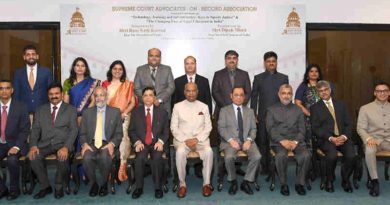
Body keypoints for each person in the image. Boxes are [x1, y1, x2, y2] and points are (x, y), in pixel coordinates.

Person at [28, 83, 78, 199]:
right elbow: (35, 130)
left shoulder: (71, 109)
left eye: (56, 93)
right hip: (44, 144)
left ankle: (58, 186)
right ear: (47, 95)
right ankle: (45, 186)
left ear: (61, 94)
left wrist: (66, 147)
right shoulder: (40, 110)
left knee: (62, 157)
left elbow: (74, 130)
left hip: (62, 144)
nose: (54, 96)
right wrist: (33, 145)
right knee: (33, 157)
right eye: (51, 94)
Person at [311, 80, 356, 193]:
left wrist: (344, 136)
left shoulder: (341, 104)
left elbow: (349, 123)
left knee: (351, 155)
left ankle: (345, 180)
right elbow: (316, 128)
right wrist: (331, 138)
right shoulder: (315, 108)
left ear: (330, 90)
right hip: (327, 139)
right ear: (318, 93)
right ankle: (329, 180)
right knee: (332, 156)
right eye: (320, 91)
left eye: (325, 90)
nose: (324, 93)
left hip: (343, 138)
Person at [266, 84, 311, 196]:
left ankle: (299, 184)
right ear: (279, 94)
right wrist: (282, 141)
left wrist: (295, 142)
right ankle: (283, 184)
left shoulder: (298, 110)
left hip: (297, 141)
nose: (286, 96)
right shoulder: (271, 109)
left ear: (292, 95)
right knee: (280, 156)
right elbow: (270, 129)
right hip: (278, 142)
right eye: (283, 93)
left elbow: (302, 129)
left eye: (289, 93)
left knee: (305, 155)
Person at [171, 83, 213, 198]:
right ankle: (182, 184)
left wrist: (197, 139)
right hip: (182, 140)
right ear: (184, 92)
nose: (191, 93)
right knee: (179, 152)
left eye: (193, 91)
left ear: (197, 92)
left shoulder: (204, 106)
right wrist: (186, 140)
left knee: (209, 151)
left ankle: (206, 184)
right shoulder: (177, 106)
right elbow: (174, 127)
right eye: (188, 91)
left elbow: (208, 127)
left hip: (200, 140)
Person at [79, 87, 123, 197]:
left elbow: (119, 133)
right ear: (94, 98)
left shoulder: (115, 112)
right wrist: (84, 144)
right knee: (87, 157)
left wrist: (112, 144)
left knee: (104, 156)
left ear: (106, 97)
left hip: (107, 143)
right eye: (97, 96)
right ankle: (94, 183)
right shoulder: (87, 113)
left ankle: (103, 184)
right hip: (91, 143)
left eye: (102, 95)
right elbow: (82, 133)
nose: (99, 98)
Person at [250, 51, 289, 175]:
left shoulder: (283, 78)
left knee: (278, 143)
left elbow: (286, 97)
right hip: (262, 116)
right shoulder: (258, 78)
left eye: (273, 61)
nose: (271, 63)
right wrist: (253, 114)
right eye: (268, 61)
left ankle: (277, 168)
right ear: (265, 63)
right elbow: (254, 97)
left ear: (276, 62)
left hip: (279, 117)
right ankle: (265, 168)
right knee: (263, 143)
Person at [218, 86, 261, 195]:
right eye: (236, 95)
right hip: (230, 142)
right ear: (231, 96)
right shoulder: (224, 110)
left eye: (241, 95)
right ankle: (233, 181)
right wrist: (231, 140)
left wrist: (249, 140)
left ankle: (246, 182)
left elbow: (253, 129)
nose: (238, 97)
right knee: (229, 157)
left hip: (247, 141)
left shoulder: (250, 111)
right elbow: (221, 128)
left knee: (257, 156)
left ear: (244, 97)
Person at [63, 57, 100, 181]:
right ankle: (72, 172)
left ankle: (85, 172)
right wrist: (74, 116)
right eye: (77, 65)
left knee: (85, 142)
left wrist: (83, 115)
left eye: (82, 65)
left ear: (86, 68)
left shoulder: (92, 82)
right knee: (72, 142)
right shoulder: (68, 82)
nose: (79, 68)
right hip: (71, 117)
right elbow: (65, 102)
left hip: (87, 117)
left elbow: (94, 101)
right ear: (73, 67)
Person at [129, 87, 169, 199]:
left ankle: (158, 187)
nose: (148, 97)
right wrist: (137, 142)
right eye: (145, 95)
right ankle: (139, 187)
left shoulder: (162, 112)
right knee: (139, 158)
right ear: (142, 98)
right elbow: (131, 131)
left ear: (154, 97)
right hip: (142, 143)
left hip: (156, 142)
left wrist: (161, 142)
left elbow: (166, 131)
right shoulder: (136, 112)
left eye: (150, 95)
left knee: (157, 158)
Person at [101, 60, 136, 182]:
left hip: (124, 115)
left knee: (123, 136)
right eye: (115, 68)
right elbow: (102, 101)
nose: (117, 71)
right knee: (109, 138)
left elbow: (132, 102)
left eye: (120, 69)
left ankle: (122, 164)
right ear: (111, 70)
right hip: (108, 116)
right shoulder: (105, 84)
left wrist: (124, 113)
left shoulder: (128, 84)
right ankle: (110, 167)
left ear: (123, 71)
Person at [357, 81, 390, 197]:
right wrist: (368, 138)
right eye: (379, 91)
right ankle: (374, 180)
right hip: (374, 140)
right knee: (370, 150)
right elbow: (360, 128)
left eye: (385, 91)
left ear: (389, 93)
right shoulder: (365, 108)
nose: (382, 93)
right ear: (375, 93)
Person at [0, 79, 30, 200]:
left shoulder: (21, 106)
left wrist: (16, 146)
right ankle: (2, 189)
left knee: (12, 160)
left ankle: (14, 190)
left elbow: (25, 129)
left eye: (7, 88)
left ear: (12, 90)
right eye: (1, 88)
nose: (4, 91)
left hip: (16, 143)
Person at [13, 45, 53, 122]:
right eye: (28, 54)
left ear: (37, 56)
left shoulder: (46, 72)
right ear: (24, 57)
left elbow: (51, 92)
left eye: (33, 54)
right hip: (24, 114)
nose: (31, 56)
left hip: (43, 113)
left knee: (43, 134)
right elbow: (16, 94)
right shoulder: (18, 73)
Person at [134, 48, 175, 116]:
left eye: (157, 56)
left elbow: (171, 87)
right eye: (151, 56)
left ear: (160, 58)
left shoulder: (167, 69)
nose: (154, 58)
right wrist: (148, 99)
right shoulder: (140, 70)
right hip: (144, 108)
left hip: (163, 107)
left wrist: (159, 100)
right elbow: (136, 88)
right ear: (148, 57)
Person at [212, 50, 251, 120]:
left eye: (234, 58)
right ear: (225, 60)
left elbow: (248, 92)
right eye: (229, 58)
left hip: (240, 111)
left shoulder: (244, 74)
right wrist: (227, 108)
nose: (231, 60)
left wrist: (239, 105)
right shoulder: (218, 74)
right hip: (222, 111)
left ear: (237, 60)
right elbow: (215, 92)